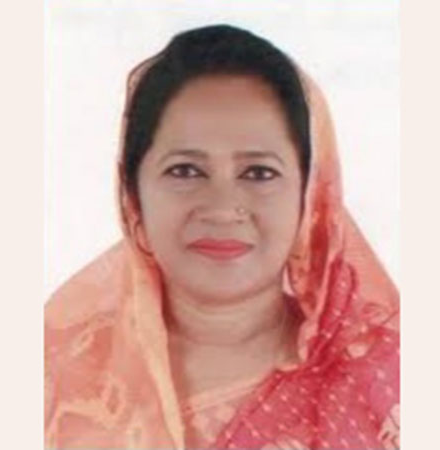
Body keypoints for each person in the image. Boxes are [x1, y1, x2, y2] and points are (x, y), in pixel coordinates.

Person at [45, 24, 399, 449]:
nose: (222, 207)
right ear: (133, 198)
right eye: (185, 171)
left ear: (310, 199)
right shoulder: (55, 379)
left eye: (259, 173)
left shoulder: (384, 383)